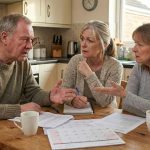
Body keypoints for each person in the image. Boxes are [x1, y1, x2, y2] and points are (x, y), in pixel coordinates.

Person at [0, 14, 76, 119]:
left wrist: (50, 96)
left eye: (31, 40)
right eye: (25, 39)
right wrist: (19, 110)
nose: (30, 46)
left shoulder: (22, 62)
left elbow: (33, 93)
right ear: (4, 37)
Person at [62, 20, 123, 108]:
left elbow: (105, 102)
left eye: (90, 40)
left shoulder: (115, 66)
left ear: (104, 44)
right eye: (82, 39)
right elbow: (64, 91)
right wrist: (72, 100)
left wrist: (89, 74)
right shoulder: (75, 60)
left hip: (106, 116)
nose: (83, 44)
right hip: (81, 114)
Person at [94, 23, 150, 117]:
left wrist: (125, 95)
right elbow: (127, 106)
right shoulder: (138, 66)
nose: (134, 49)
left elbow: (127, 99)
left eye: (140, 44)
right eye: (135, 43)